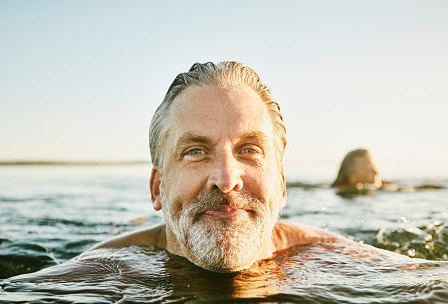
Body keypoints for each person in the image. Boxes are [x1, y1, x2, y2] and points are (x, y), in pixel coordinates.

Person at [87, 61, 392, 272]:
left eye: (249, 150)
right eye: (195, 151)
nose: (226, 179)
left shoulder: (345, 262)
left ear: (282, 185)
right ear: (157, 188)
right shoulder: (89, 279)